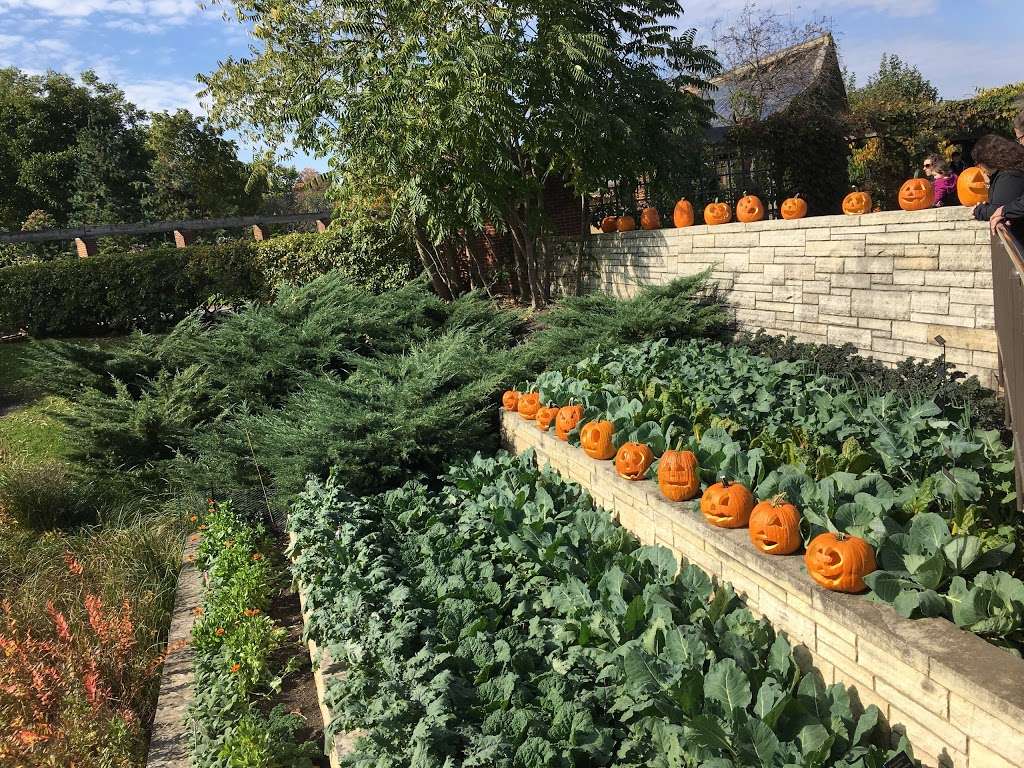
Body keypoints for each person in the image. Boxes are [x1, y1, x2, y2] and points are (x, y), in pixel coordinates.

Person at [971, 133, 1024, 238]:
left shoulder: (1009, 174)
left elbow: (999, 208)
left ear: (988, 159)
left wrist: (980, 210)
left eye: (979, 162)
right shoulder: (1007, 170)